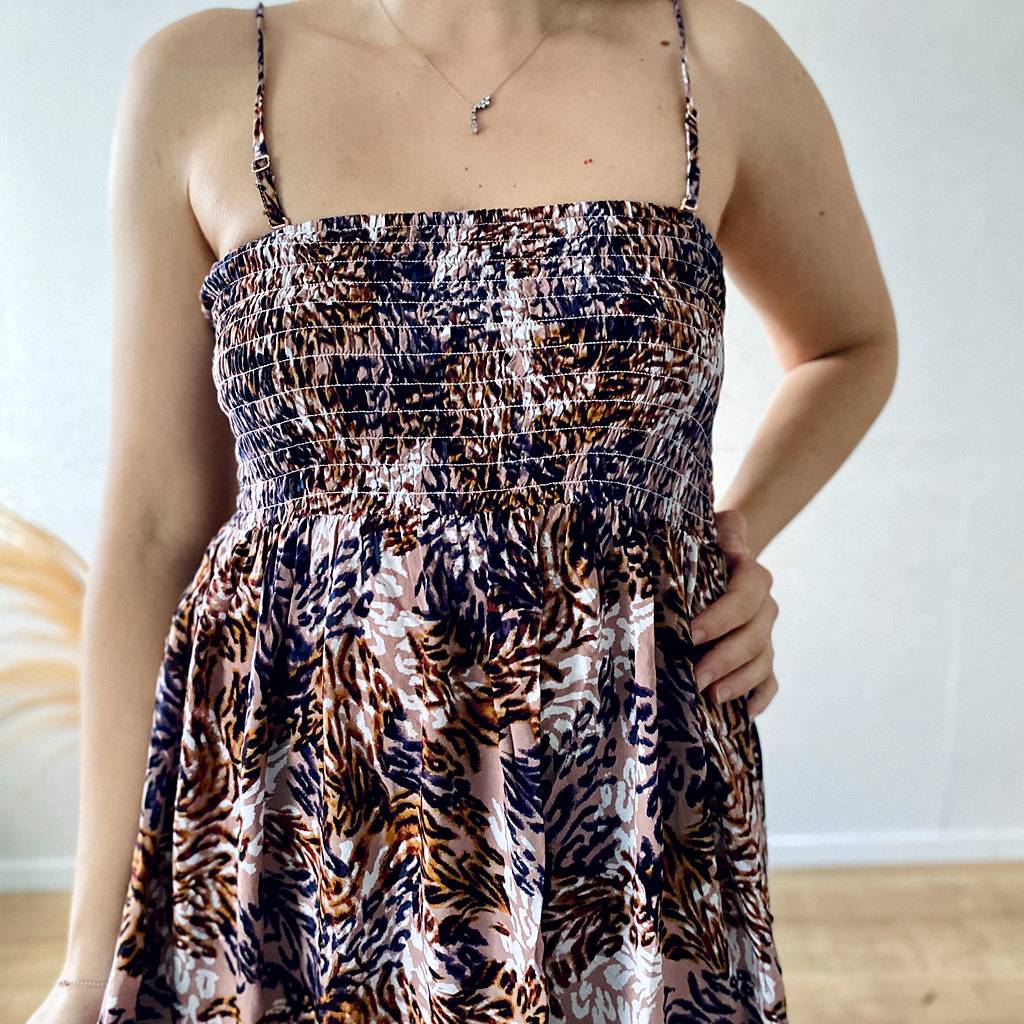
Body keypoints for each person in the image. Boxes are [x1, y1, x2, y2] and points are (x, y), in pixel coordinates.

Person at [27, 0, 897, 1022]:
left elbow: (849, 344)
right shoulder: (205, 75)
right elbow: (154, 531)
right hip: (304, 816)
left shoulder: (711, 56)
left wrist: (726, 541)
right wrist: (85, 971)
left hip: (615, 799)